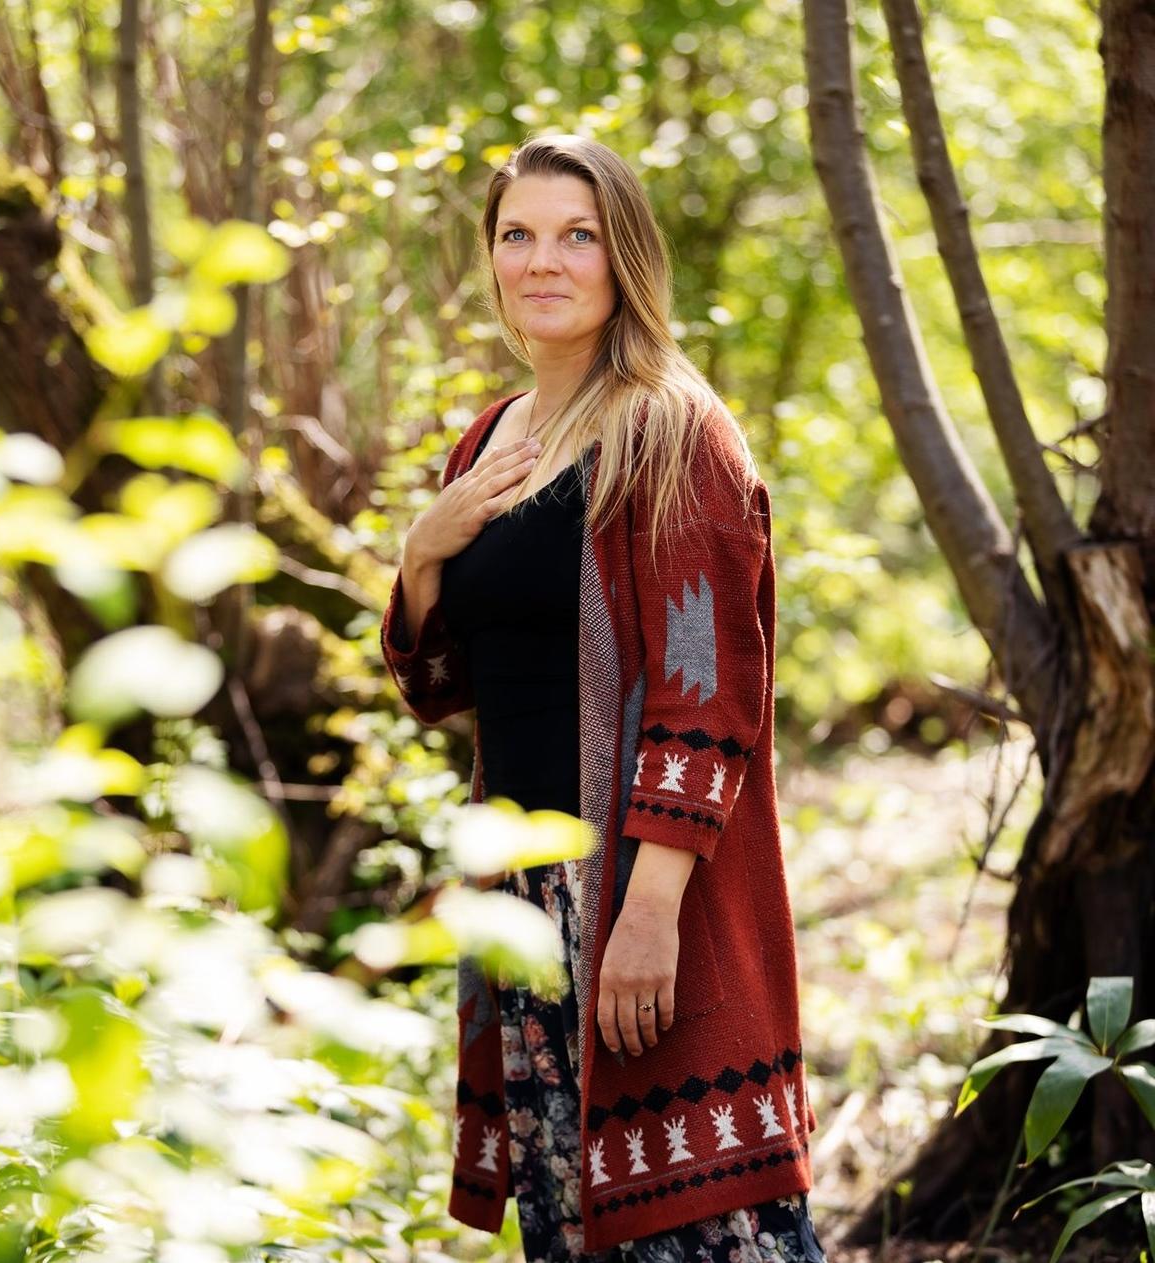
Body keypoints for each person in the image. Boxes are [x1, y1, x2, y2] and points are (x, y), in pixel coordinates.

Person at [380, 134, 827, 1263]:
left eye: (576, 235)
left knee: (711, 1231)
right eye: (517, 235)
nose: (543, 260)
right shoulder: (490, 441)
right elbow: (440, 684)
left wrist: (647, 910)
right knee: (570, 1228)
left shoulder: (671, 430)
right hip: (525, 895)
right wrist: (422, 554)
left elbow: (707, 691)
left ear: (623, 255)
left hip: (638, 888)